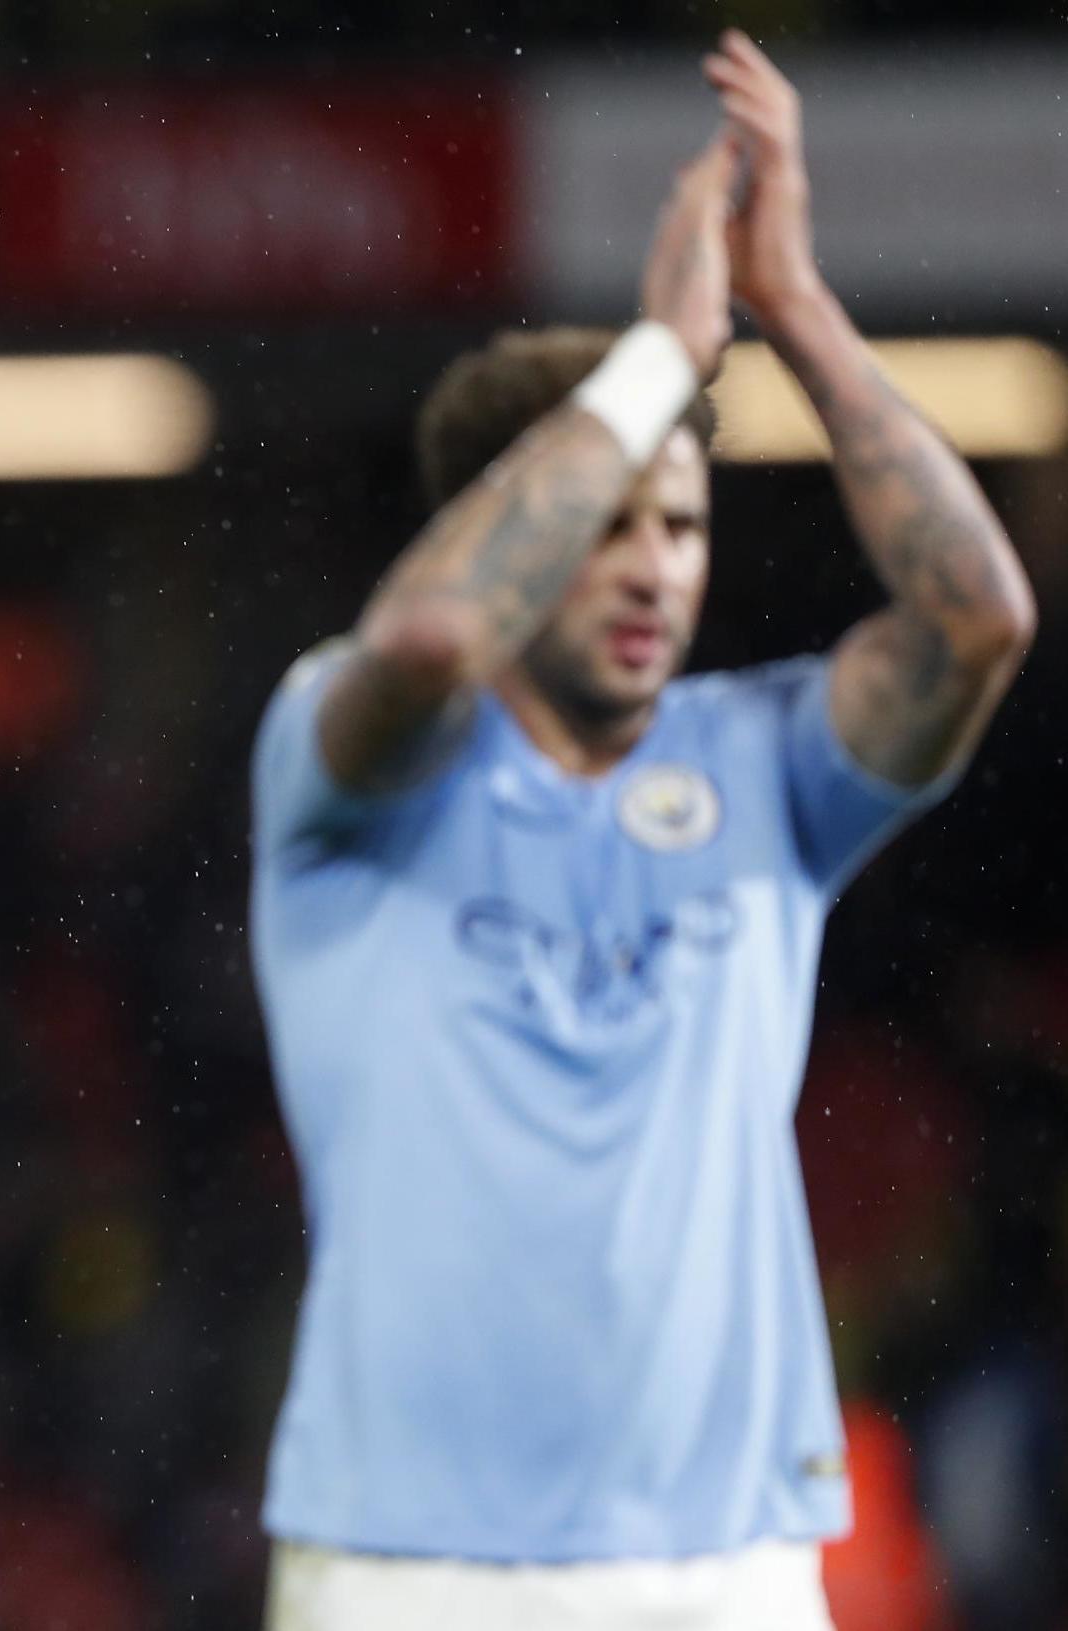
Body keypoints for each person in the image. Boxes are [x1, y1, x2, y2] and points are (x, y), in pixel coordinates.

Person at [248, 33, 1034, 1631]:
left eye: (678, 522)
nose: (652, 566)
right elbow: (424, 645)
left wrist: (793, 310)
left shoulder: (764, 760)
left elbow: (974, 620)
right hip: (408, 1564)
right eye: (602, 521)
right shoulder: (343, 753)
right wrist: (660, 352)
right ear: (502, 532)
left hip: (726, 1559)